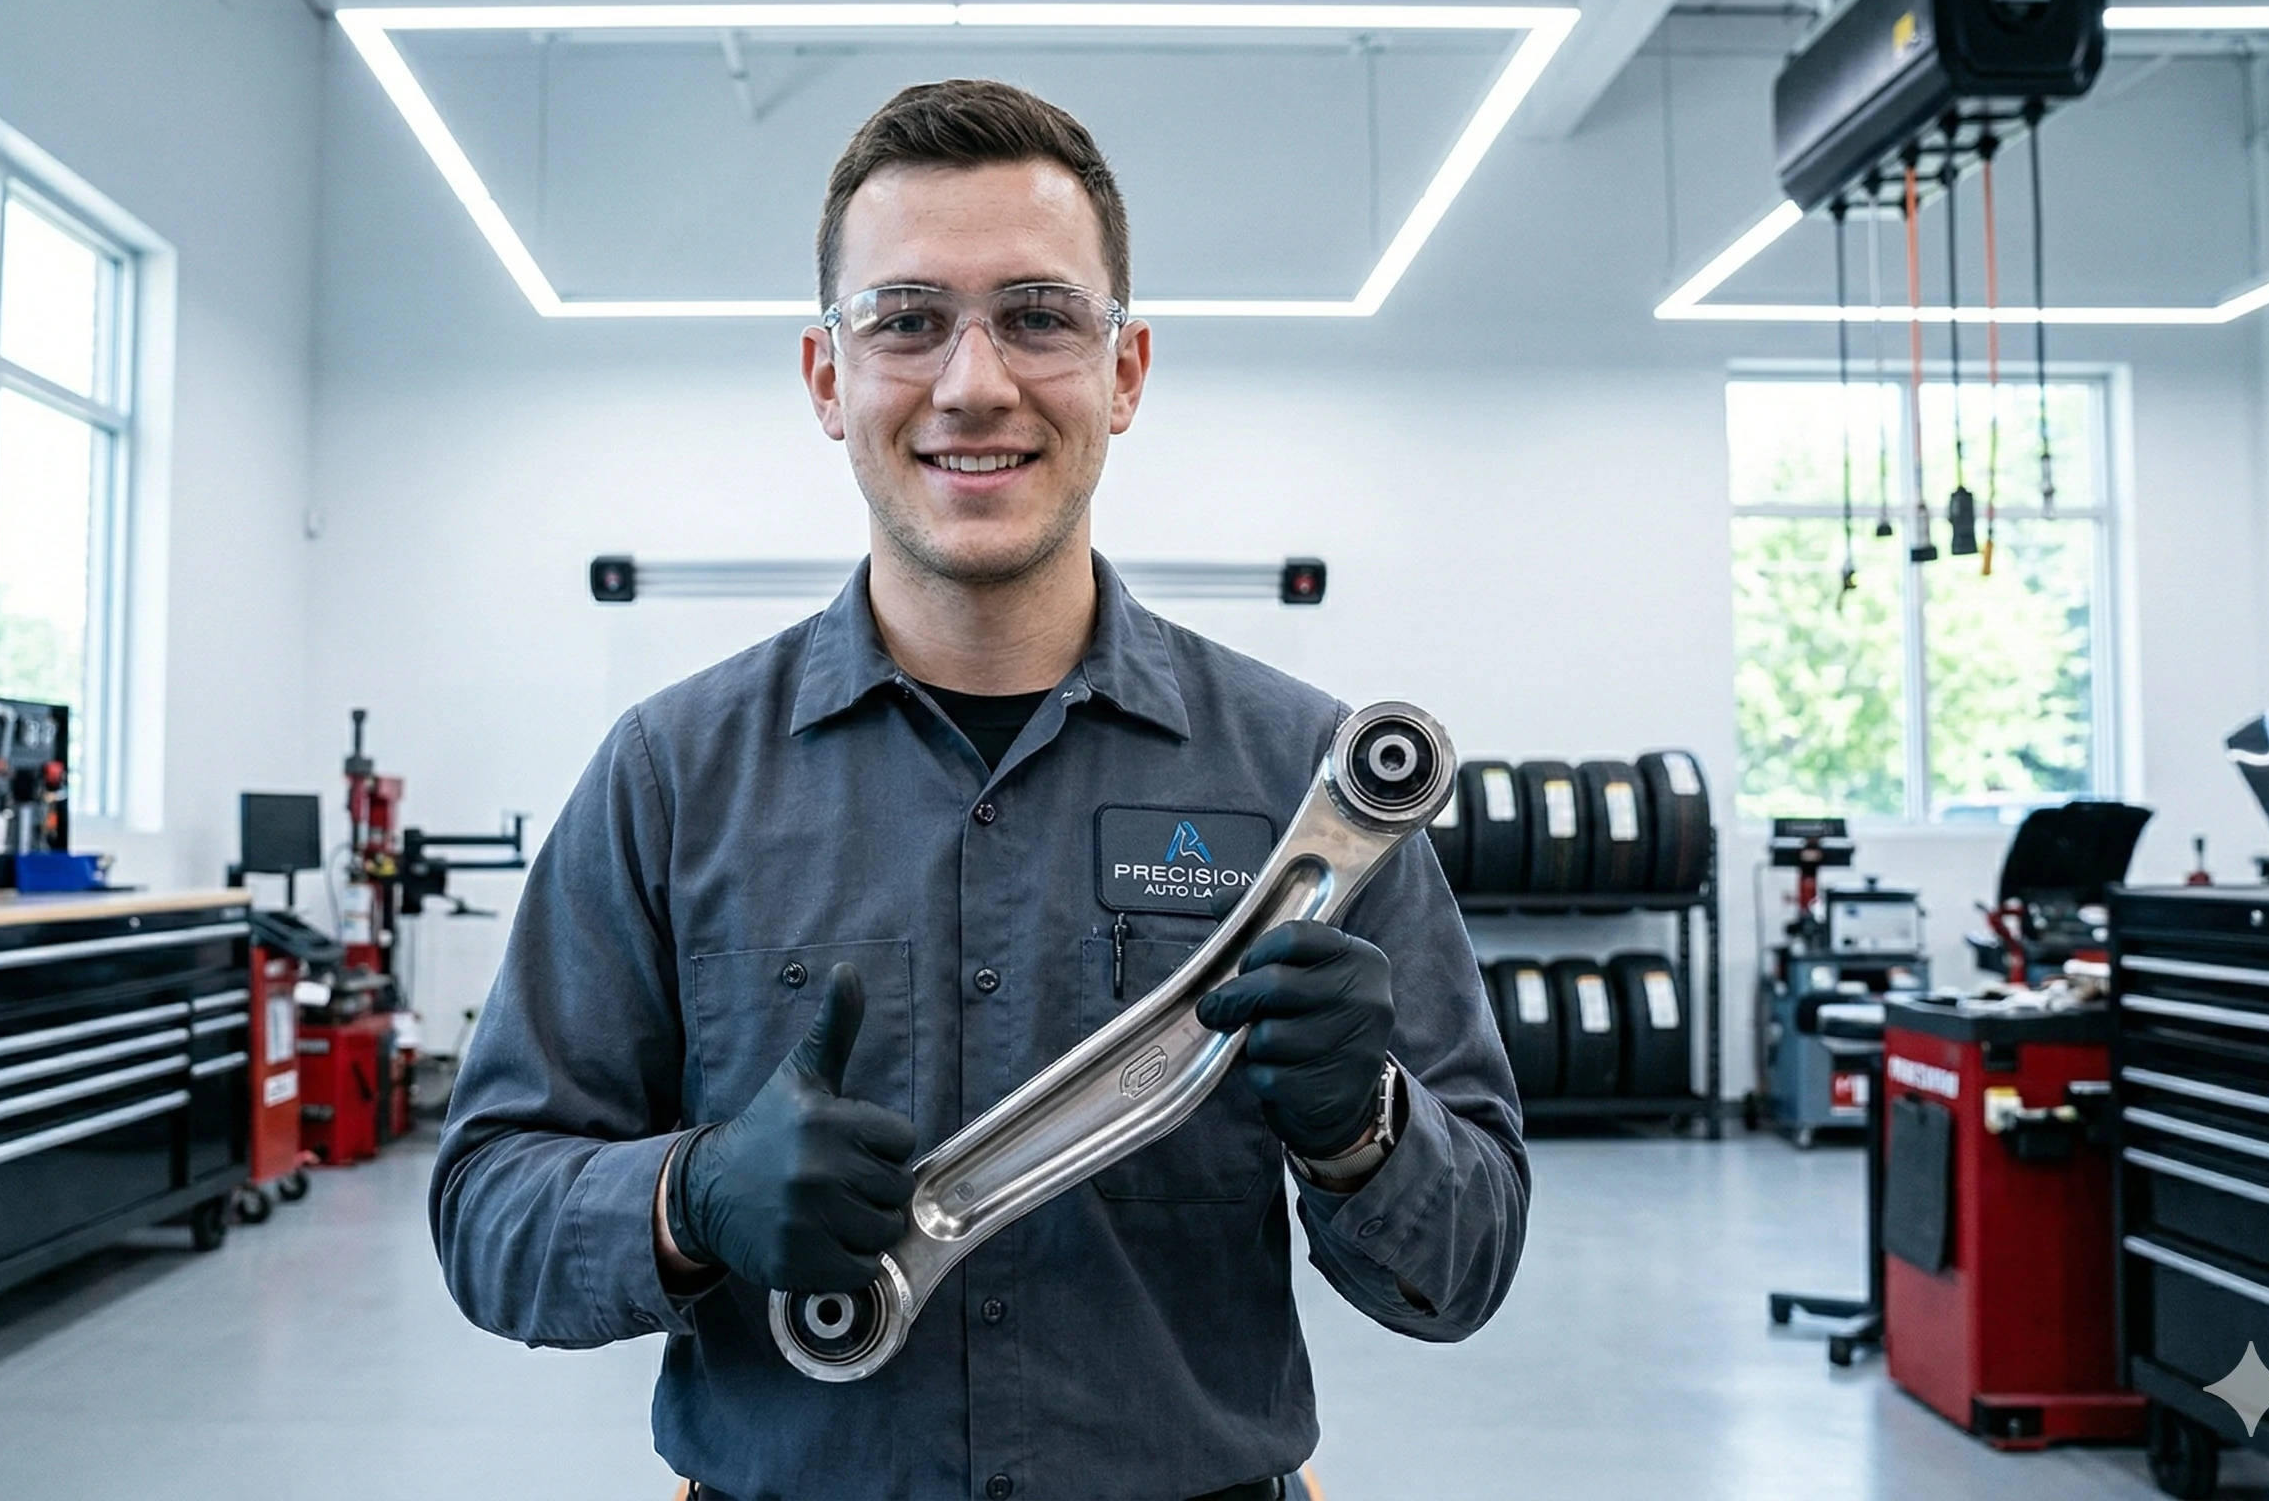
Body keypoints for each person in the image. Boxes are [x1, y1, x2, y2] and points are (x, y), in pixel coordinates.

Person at [431, 78, 1528, 1501]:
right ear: (829, 379)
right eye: (905, 321)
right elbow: (486, 1214)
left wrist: (1364, 1127)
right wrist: (685, 1199)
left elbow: (1469, 1262)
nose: (973, 384)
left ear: (1125, 371)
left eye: (1039, 316)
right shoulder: (668, 777)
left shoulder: (1310, 784)